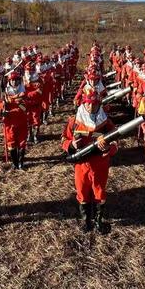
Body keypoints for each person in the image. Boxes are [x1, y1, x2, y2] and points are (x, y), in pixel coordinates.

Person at [61, 90, 118, 234]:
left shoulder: (105, 122)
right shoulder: (74, 122)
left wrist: (108, 148)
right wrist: (72, 145)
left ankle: (98, 221)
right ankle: (86, 220)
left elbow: (116, 142)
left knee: (99, 192)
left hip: (100, 164)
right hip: (81, 165)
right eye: (88, 104)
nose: (91, 108)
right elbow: (63, 140)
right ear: (83, 103)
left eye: (94, 104)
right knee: (82, 191)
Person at [0, 71, 27, 170]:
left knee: (22, 142)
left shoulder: (23, 90)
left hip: (21, 121)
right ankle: (15, 163)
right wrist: (2, 107)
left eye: (16, 80)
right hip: (9, 123)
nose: (14, 82)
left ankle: (21, 163)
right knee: (11, 143)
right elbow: (0, 105)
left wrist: (12, 100)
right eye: (12, 80)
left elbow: (24, 107)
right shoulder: (4, 92)